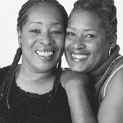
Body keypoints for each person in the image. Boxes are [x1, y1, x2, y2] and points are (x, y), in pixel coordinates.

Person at [0, 0, 77, 122]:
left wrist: (76, 88)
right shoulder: (2, 80)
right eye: (36, 31)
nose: (46, 40)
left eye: (56, 32)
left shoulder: (75, 88)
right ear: (20, 35)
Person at [64, 0, 123, 122]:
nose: (76, 45)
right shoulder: (87, 73)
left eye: (89, 35)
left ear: (111, 40)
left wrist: (74, 87)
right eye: (71, 33)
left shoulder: (120, 77)